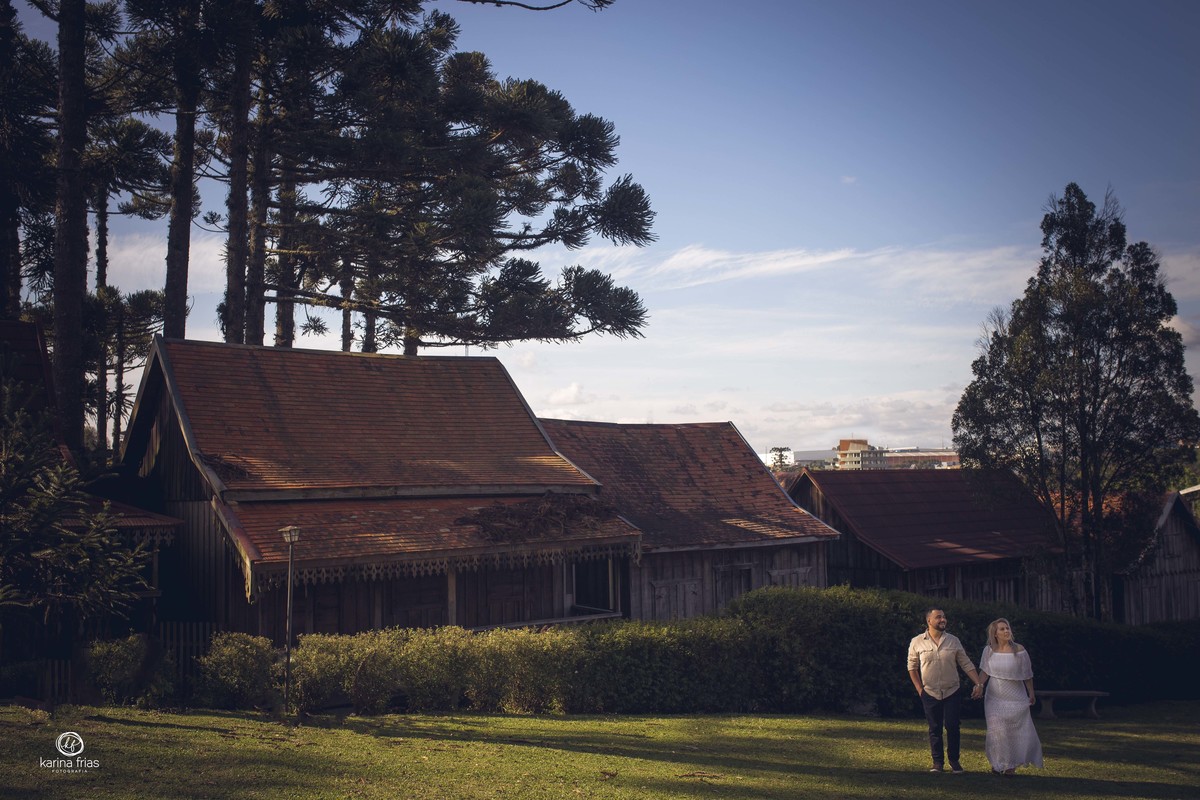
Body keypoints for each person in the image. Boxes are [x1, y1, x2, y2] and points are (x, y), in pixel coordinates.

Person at [907, 607, 985, 774]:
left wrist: (978, 683)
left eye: (944, 617)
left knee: (952, 726)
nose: (943, 620)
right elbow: (912, 668)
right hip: (929, 692)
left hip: (952, 690)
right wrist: (920, 690)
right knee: (934, 728)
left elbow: (966, 663)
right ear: (929, 621)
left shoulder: (953, 641)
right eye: (939, 617)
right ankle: (937, 763)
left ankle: (954, 761)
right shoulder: (917, 641)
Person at [971, 618, 1044, 775]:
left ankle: (1011, 764)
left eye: (1007, 628)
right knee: (997, 729)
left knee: (1014, 731)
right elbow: (985, 672)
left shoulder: (1019, 651)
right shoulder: (989, 651)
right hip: (994, 695)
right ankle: (998, 762)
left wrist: (1031, 692)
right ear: (995, 633)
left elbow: (1027, 674)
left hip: (1015, 694)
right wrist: (979, 686)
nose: (1006, 631)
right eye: (1002, 629)